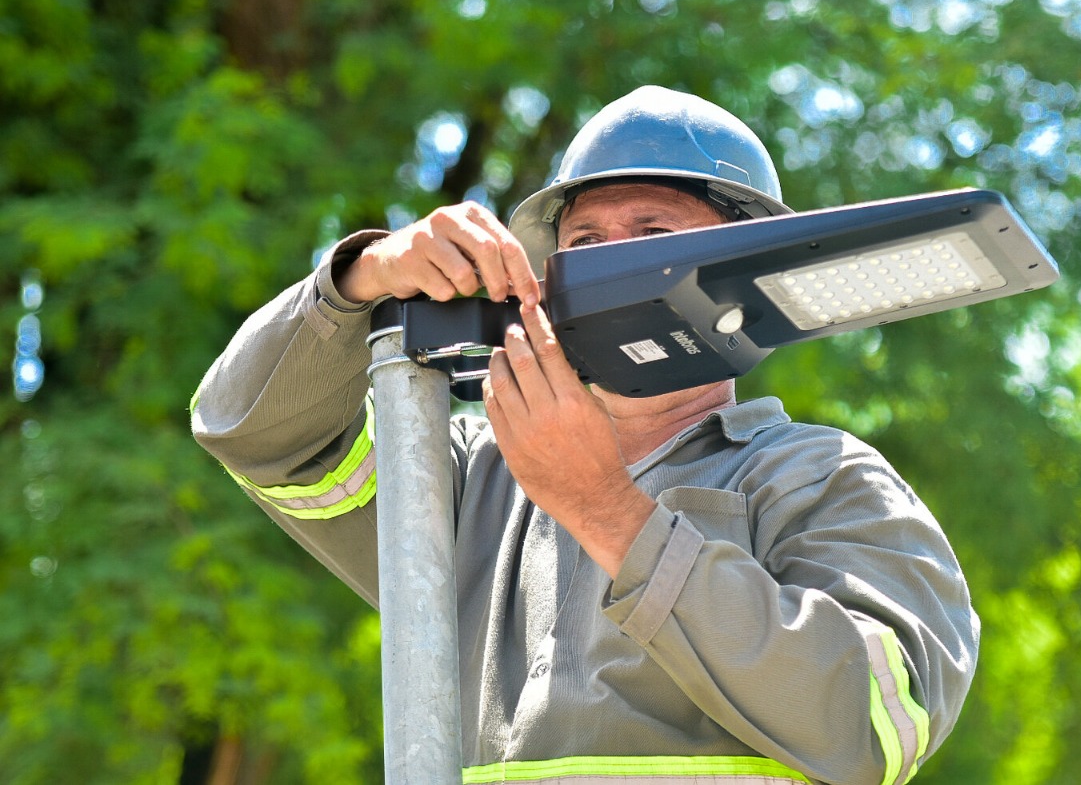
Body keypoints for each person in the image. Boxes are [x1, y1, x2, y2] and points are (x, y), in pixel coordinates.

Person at [191, 86, 979, 785]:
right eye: (589, 243)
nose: (613, 265)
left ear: (747, 270)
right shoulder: (469, 480)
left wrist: (605, 508)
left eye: (650, 232)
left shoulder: (821, 477)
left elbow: (871, 727)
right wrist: (359, 279)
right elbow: (251, 429)